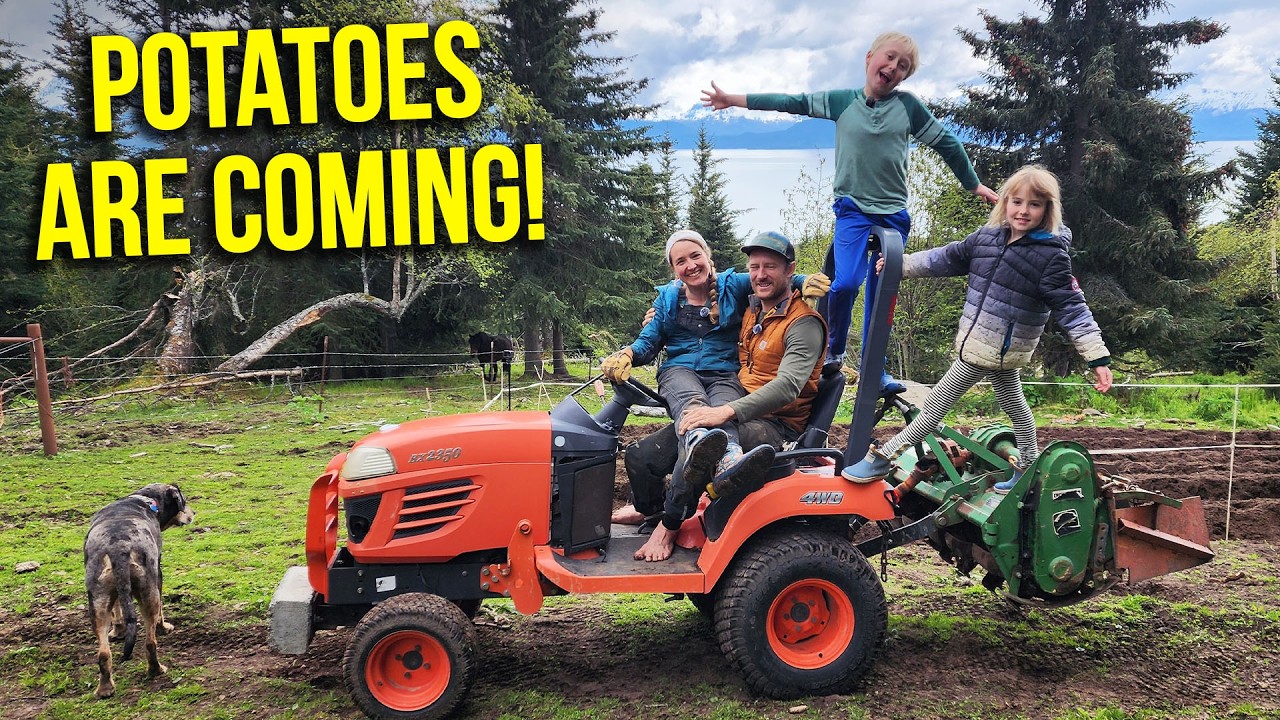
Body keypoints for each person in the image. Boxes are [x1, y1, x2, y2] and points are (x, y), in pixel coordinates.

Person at [701, 31, 999, 395]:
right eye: (889, 58)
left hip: (893, 216)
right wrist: (733, 99)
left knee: (881, 295)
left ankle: (878, 372)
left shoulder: (908, 108)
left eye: (903, 66)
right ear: (870, 57)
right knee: (843, 284)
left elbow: (947, 143)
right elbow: (791, 101)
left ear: (905, 77)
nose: (893, 67)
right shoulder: (843, 102)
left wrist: (973, 184)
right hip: (853, 212)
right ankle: (833, 351)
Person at [843, 165, 1113, 491]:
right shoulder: (987, 238)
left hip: (993, 349)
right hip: (982, 344)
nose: (1023, 211)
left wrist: (1097, 357)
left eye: (1034, 204)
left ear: (1048, 210)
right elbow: (945, 258)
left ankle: (882, 458)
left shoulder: (1050, 258)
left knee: (932, 409)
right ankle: (1026, 469)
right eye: (1017, 202)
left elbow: (1073, 307)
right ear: (1005, 203)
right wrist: (901, 264)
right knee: (1018, 409)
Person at [620, 231, 828, 561]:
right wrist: (628, 352)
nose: (760, 275)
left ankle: (669, 526)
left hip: (770, 421)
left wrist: (806, 280)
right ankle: (649, 510)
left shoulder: (801, 322)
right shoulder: (755, 310)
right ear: (673, 269)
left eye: (770, 267)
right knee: (642, 457)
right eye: (755, 267)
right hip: (739, 404)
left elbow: (788, 386)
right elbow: (650, 337)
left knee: (697, 440)